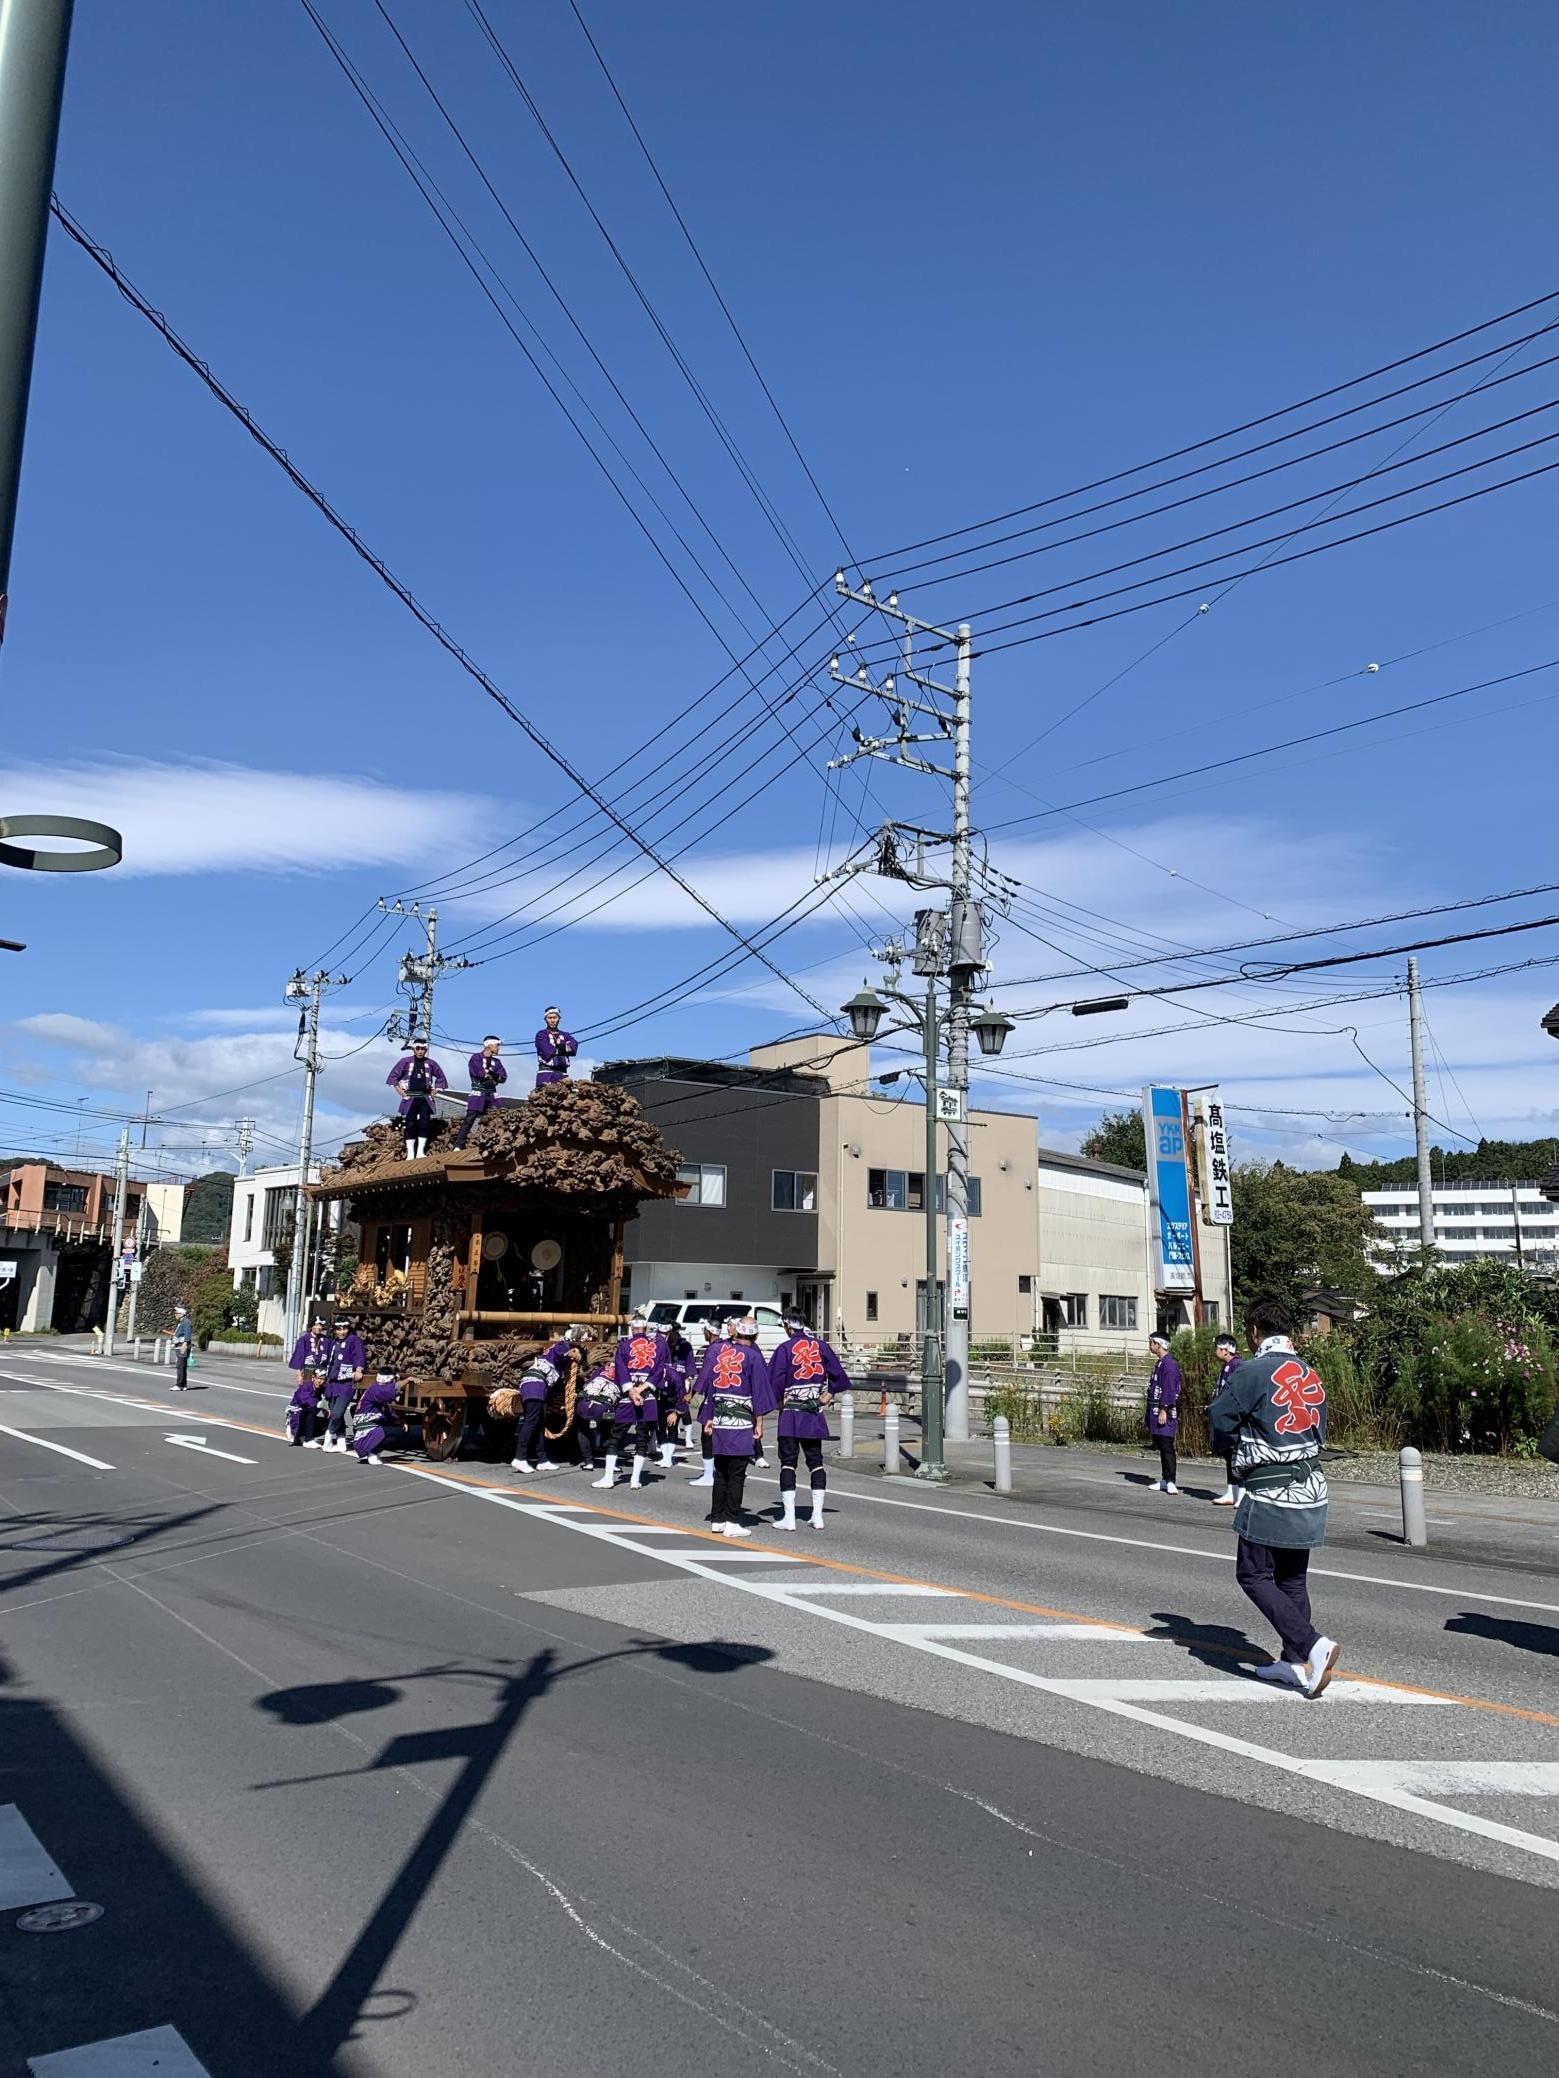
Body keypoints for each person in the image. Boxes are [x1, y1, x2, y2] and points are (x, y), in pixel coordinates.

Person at [1208, 1292, 1339, 1698]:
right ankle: (1290, 1662)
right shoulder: (1308, 1372)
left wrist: (1232, 1446)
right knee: (1292, 1579)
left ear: (1253, 1330)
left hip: (1272, 1488)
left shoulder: (1253, 1370)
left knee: (1253, 1573)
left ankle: (1312, 1644)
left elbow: (1219, 1417)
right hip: (1311, 1486)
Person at [769, 1314, 850, 1531]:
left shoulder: (785, 1349)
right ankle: (817, 1515)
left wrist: (777, 1402)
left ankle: (789, 1517)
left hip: (791, 1414)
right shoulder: (821, 1346)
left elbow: (774, 1381)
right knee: (816, 1463)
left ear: (788, 1327)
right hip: (813, 1413)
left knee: (788, 1463)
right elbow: (839, 1376)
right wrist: (829, 1393)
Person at [696, 1316, 773, 1537]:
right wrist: (759, 1422)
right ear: (756, 1335)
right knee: (737, 1473)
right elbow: (759, 1393)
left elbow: (710, 1389)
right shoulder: (753, 1357)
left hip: (719, 1418)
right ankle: (731, 1520)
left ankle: (717, 1518)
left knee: (721, 1471)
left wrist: (709, 1417)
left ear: (736, 1333)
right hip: (740, 1421)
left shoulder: (719, 1353)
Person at [596, 1312, 664, 1489]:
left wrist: (632, 1391)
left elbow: (621, 1369)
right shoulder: (656, 1346)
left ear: (632, 1327)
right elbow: (659, 1371)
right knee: (642, 1437)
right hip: (647, 1395)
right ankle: (635, 1479)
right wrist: (642, 1389)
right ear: (646, 1327)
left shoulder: (625, 1345)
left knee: (616, 1436)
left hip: (629, 1393)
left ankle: (609, 1478)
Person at [512, 1326, 590, 1476]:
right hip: (535, 1382)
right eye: (584, 1338)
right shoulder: (562, 1345)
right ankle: (519, 1457)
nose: (587, 1340)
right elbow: (565, 1352)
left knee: (540, 1422)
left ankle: (542, 1459)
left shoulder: (559, 1346)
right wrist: (575, 1354)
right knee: (531, 1421)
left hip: (537, 1384)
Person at [386, 1039, 448, 1159]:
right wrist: (399, 1090)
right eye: (418, 1048)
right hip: (410, 1097)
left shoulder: (431, 1063)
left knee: (424, 1123)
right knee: (410, 1123)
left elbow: (441, 1076)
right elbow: (393, 1077)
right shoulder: (405, 1062)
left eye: (423, 1049)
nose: (420, 1051)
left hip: (425, 1096)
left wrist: (437, 1089)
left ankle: (420, 1151)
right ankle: (410, 1153)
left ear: (426, 1049)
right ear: (414, 1049)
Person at [321, 1314, 366, 1452]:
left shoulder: (354, 1340)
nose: (341, 1332)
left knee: (337, 1413)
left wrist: (359, 1370)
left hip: (346, 1382)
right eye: (338, 1329)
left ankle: (328, 1437)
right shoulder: (334, 1342)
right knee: (334, 1412)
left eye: (344, 1329)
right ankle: (341, 1442)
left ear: (348, 1329)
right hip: (333, 1381)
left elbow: (359, 1356)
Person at [453, 1036, 507, 1150]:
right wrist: (492, 1076)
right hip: (478, 1092)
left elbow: (503, 1077)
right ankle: (458, 1145)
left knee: (500, 1116)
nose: (498, 1048)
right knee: (470, 1118)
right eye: (497, 1045)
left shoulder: (497, 1062)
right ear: (489, 1045)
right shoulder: (475, 1058)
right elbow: (479, 1073)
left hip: (492, 1094)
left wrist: (490, 1073)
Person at [1145, 1331, 1182, 1493]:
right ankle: (1165, 1478)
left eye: (1151, 1342)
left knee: (1167, 1445)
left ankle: (1171, 1480)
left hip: (1164, 1411)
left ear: (1158, 1344)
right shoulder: (1160, 1363)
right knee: (1161, 1444)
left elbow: (1169, 1388)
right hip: (1156, 1409)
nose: (1150, 1345)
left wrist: (1163, 1409)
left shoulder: (1169, 1364)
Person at [686, 1320, 721, 1487]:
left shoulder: (713, 1349)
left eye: (704, 1330)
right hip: (725, 1395)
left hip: (713, 1394)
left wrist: (692, 1393)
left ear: (710, 1332)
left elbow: (705, 1373)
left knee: (707, 1435)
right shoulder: (726, 1346)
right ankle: (717, 1471)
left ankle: (709, 1474)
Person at [352, 1372, 412, 1466]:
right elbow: (395, 1387)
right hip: (366, 1429)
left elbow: (389, 1414)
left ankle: (370, 1451)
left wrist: (400, 1421)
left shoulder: (375, 1392)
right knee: (396, 1432)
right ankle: (372, 1452)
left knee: (398, 1429)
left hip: (366, 1428)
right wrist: (408, 1380)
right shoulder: (375, 1389)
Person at [658, 1323, 694, 1468]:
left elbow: (690, 1367)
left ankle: (686, 1440)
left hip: (679, 1384)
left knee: (676, 1421)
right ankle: (665, 1455)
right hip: (662, 1387)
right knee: (661, 1424)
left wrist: (688, 1385)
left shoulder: (685, 1345)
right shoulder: (660, 1344)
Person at [1212, 1334, 1242, 1505]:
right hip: (1224, 1416)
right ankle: (1232, 1491)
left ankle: (1241, 1492)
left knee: (1235, 1455)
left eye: (1217, 1347)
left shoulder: (1236, 1365)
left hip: (1232, 1419)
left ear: (1225, 1350)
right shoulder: (1227, 1366)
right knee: (1228, 1453)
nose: (1216, 1351)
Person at [574, 1354, 614, 1472]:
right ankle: (610, 1457)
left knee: (583, 1429)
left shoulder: (599, 1372)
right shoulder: (623, 1373)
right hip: (605, 1409)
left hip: (585, 1406)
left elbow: (587, 1383)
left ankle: (588, 1462)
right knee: (610, 1428)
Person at [534, 1007, 578, 1090]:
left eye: (554, 1017)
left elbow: (574, 1046)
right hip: (546, 1075)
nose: (552, 1020)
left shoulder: (565, 1035)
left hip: (563, 1075)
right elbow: (546, 1050)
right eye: (550, 1018)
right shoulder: (541, 1034)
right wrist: (564, 1048)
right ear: (545, 1019)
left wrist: (556, 1048)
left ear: (559, 1019)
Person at [288, 1316, 331, 1383]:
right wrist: (299, 1374)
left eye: (320, 1325)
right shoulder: (304, 1339)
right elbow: (299, 1357)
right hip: (308, 1369)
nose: (319, 1328)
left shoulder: (327, 1340)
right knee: (307, 1389)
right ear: (311, 1326)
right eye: (316, 1325)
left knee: (319, 1391)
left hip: (322, 1369)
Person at [286, 1368, 323, 1446]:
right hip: (297, 1416)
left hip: (308, 1418)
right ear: (313, 1378)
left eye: (323, 1379)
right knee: (311, 1409)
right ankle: (306, 1438)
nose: (320, 1381)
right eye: (318, 1378)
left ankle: (307, 1436)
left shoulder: (322, 1388)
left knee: (330, 1421)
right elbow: (307, 1402)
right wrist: (323, 1405)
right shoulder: (305, 1387)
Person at [171, 1303, 194, 1390]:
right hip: (179, 1345)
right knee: (182, 1366)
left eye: (176, 1313)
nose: (175, 1315)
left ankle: (179, 1385)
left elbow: (187, 1333)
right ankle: (183, 1385)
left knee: (180, 1365)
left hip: (182, 1346)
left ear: (181, 1314)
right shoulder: (181, 1322)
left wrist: (185, 1343)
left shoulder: (186, 1322)